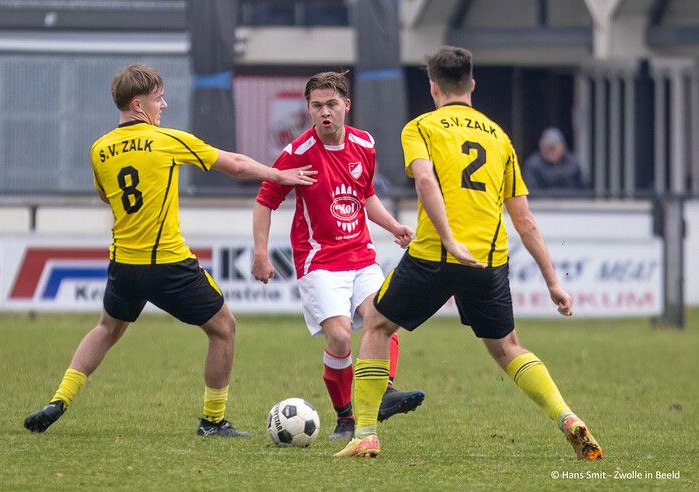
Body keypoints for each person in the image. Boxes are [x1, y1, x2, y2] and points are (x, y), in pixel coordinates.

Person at [335, 46, 603, 461]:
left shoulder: (421, 127)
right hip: (488, 263)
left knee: (376, 324)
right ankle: (566, 416)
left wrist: (448, 239)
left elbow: (425, 180)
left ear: (432, 86)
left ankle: (366, 434)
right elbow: (525, 220)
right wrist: (553, 282)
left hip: (433, 257)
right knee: (509, 347)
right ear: (472, 84)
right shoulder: (500, 138)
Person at [23, 63, 317, 437]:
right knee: (224, 328)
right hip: (167, 263)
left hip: (124, 263)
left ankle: (59, 399)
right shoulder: (167, 140)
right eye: (158, 98)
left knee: (107, 328)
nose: (164, 104)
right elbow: (236, 164)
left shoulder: (100, 150)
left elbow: (106, 196)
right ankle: (213, 421)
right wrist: (279, 175)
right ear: (137, 103)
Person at [252, 71, 425, 441]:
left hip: (361, 255)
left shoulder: (364, 143)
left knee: (385, 318)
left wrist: (394, 227)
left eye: (332, 104)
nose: (325, 112)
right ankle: (345, 416)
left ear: (346, 105)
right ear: (309, 109)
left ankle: (383, 392)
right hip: (319, 262)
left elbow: (365, 197)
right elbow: (265, 201)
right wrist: (261, 253)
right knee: (342, 338)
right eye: (317, 106)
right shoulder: (297, 154)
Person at [523, 127, 583, 194]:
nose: (550, 152)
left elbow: (581, 189)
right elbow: (531, 191)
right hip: (542, 202)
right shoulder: (533, 165)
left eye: (553, 148)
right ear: (541, 147)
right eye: (547, 148)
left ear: (563, 147)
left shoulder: (572, 164)